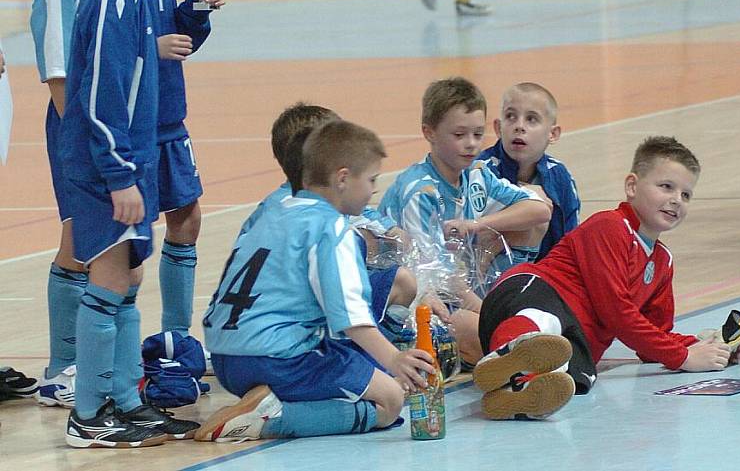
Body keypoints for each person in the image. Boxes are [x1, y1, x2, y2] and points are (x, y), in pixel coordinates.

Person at [60, 0, 197, 448]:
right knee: (110, 278)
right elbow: (99, 92)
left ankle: (124, 399)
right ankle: (87, 414)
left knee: (129, 275)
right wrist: (119, 173)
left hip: (130, 159)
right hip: (105, 166)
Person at [473, 136, 740, 421]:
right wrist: (684, 358)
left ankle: (515, 393)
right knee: (546, 320)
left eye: (686, 195)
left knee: (576, 376)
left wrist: (709, 349)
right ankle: (509, 352)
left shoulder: (663, 262)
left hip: (573, 336)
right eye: (666, 186)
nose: (676, 199)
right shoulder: (610, 226)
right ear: (632, 186)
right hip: (529, 292)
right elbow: (617, 311)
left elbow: (653, 337)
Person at [196, 121, 434, 442]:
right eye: (371, 180)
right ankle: (270, 417)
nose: (373, 190)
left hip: (225, 361)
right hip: (277, 360)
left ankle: (270, 402)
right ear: (343, 178)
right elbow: (351, 317)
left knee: (350, 368)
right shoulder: (331, 228)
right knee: (390, 400)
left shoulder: (273, 212)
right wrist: (394, 358)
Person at [29, 0, 117, 410]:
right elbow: (59, 73)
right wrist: (86, 139)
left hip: (105, 125)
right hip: (78, 126)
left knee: (101, 244)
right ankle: (63, 368)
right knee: (78, 240)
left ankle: (88, 360)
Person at [379, 77, 552, 364]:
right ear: (429, 132)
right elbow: (433, 275)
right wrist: (487, 312)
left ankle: (512, 343)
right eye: (459, 135)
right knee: (484, 334)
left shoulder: (476, 173)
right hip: (421, 297)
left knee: (532, 211)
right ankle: (513, 362)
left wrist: (479, 225)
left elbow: (540, 209)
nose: (471, 145)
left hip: (459, 284)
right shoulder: (420, 191)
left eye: (477, 134)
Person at [232, 102, 419, 341]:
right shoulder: (306, 207)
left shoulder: (291, 201)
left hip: (248, 323)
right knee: (401, 282)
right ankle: (372, 352)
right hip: (285, 318)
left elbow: (383, 229)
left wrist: (385, 234)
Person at [137, 0, 224, 339]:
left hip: (169, 115)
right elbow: (104, 46)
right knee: (127, 243)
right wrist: (151, 48)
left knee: (187, 219)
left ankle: (176, 338)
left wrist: (195, 9)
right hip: (134, 125)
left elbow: (175, 36)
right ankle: (113, 349)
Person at [479, 82, 580, 263]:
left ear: (553, 134)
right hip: (487, 273)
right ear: (498, 128)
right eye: (511, 116)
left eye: (531, 119)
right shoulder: (481, 171)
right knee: (536, 201)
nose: (519, 126)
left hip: (545, 274)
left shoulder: (560, 176)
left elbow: (570, 241)